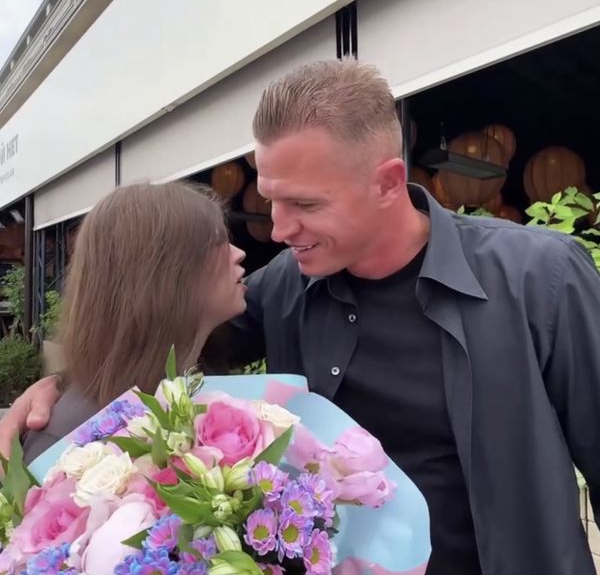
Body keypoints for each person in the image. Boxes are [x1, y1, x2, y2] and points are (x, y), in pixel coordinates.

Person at [3, 58, 600, 574]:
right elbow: (157, 338)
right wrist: (59, 390)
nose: (279, 230)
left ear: (388, 183)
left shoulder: (540, 278)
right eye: (271, 200)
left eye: (305, 204)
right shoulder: (284, 286)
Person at [19, 181, 246, 464]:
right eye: (216, 243)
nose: (239, 253)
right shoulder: (67, 443)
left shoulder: (202, 383)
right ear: (165, 274)